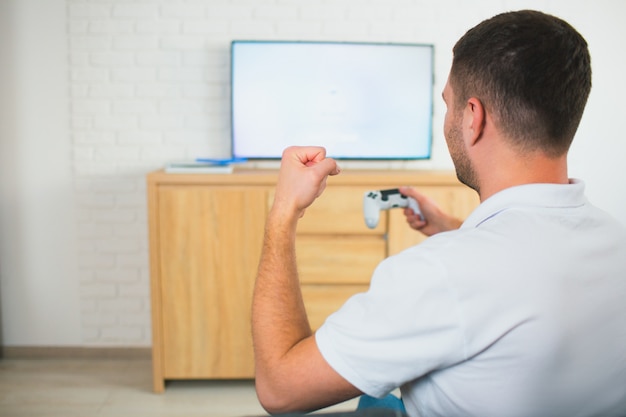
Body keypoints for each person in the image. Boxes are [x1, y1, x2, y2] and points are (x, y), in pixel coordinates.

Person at [251, 9, 626, 417]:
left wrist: (283, 210)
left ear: (473, 117)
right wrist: (454, 229)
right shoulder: (614, 240)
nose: (446, 118)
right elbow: (532, 269)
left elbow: (280, 387)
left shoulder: (439, 275)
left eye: (448, 104)